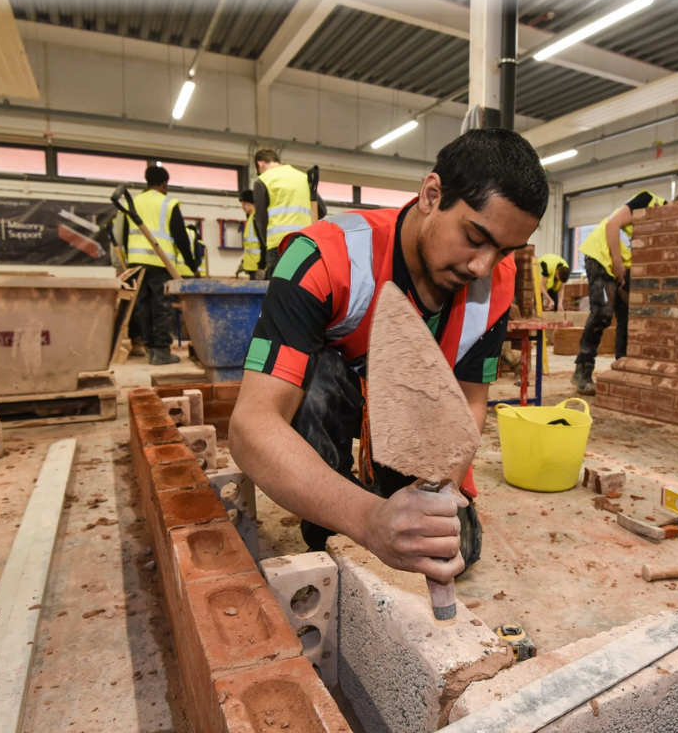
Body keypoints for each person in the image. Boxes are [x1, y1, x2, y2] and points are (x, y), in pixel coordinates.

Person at [229, 129, 548, 583]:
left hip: (417, 421)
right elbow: (251, 426)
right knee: (315, 375)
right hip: (342, 401)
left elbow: (470, 401)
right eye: (475, 236)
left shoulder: (494, 281)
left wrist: (435, 499)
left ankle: (395, 500)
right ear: (432, 194)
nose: (483, 265)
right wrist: (367, 520)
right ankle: (331, 518)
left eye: (504, 250)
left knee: (456, 548)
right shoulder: (324, 256)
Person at [571, 189, 668, 395]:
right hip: (602, 257)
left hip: (623, 265)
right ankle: (582, 371)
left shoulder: (664, 223)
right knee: (602, 313)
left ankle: (622, 369)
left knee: (628, 317)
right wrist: (617, 262)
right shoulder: (649, 200)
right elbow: (612, 225)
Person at [124, 165, 201, 365]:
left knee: (143, 307)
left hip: (136, 262)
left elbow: (125, 235)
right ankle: (162, 351)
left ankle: (151, 349)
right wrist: (192, 264)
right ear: (165, 183)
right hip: (160, 261)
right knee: (161, 307)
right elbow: (181, 237)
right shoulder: (168, 203)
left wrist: (127, 262)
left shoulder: (134, 202)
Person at [250, 150, 327, 272]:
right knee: (303, 287)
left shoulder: (263, 180)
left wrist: (266, 244)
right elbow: (321, 210)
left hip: (278, 245)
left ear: (260, 164)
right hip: (305, 244)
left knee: (279, 289)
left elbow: (261, 219)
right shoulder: (303, 177)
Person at [236, 191, 264, 279]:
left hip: (258, 268)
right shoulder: (251, 218)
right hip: (253, 267)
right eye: (242, 203)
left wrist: (262, 266)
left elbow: (264, 243)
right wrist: (243, 262)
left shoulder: (257, 218)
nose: (243, 206)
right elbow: (250, 246)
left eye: (245, 203)